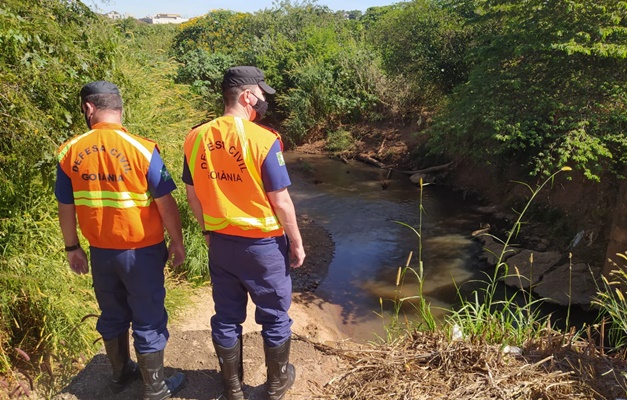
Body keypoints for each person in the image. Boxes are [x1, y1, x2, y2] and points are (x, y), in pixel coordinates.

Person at [55, 81, 186, 400]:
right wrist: (177, 242)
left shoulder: (70, 150)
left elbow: (65, 204)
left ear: (88, 108)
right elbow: (165, 203)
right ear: (119, 108)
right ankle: (155, 388)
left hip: (100, 253)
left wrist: (72, 247)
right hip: (141, 253)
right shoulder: (142, 149)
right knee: (148, 314)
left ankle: (120, 374)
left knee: (111, 313)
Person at [182, 66, 306, 400]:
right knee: (275, 316)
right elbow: (280, 201)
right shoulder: (265, 140)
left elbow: (193, 195)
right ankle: (277, 384)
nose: (264, 101)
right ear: (247, 96)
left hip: (221, 243)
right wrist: (296, 242)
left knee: (226, 316)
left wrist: (208, 230)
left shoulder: (195, 137)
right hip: (263, 246)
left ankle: (233, 389)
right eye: (262, 95)